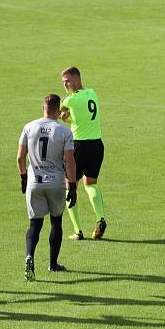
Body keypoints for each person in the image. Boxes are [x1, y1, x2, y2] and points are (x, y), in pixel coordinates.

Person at [17, 94, 77, 281]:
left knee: (35, 224)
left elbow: (20, 157)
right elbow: (70, 162)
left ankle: (29, 256)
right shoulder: (64, 131)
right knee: (56, 222)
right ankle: (53, 264)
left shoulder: (29, 127)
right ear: (58, 111)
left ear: (42, 107)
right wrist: (73, 186)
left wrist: (23, 177)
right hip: (56, 183)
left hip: (35, 182)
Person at [59, 66, 107, 240]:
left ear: (77, 79)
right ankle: (100, 218)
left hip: (79, 146)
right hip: (97, 145)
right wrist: (71, 118)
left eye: (67, 81)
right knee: (91, 184)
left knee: (70, 186)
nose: (65, 84)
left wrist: (65, 116)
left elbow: (57, 112)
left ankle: (78, 231)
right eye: (63, 82)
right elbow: (81, 118)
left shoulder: (70, 100)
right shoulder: (92, 93)